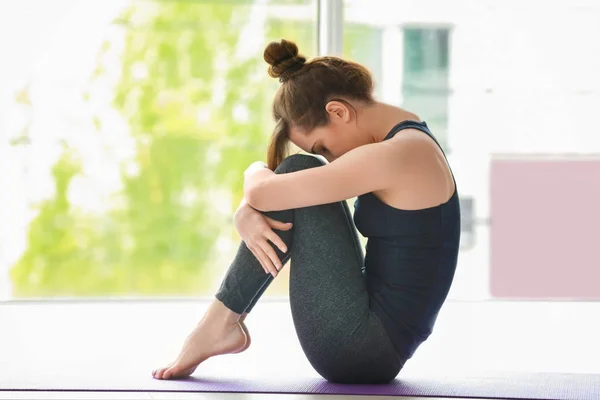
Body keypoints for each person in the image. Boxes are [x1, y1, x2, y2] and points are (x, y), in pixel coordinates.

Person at [152, 39, 460, 384]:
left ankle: (217, 324)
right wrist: (249, 207)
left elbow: (262, 190)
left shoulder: (399, 154)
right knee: (297, 173)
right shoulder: (412, 136)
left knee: (298, 168)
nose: (330, 159)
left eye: (323, 147)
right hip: (375, 343)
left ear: (339, 112)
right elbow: (271, 194)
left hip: (359, 350)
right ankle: (219, 324)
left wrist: (250, 182)